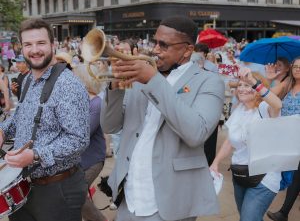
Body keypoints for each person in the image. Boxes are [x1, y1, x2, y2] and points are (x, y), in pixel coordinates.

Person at [100, 16, 225, 221]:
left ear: (187, 50)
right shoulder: (141, 77)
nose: (155, 50)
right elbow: (110, 125)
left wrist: (153, 80)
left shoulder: (209, 82)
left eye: (164, 45)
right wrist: (115, 87)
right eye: (154, 42)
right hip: (129, 196)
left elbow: (196, 133)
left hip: (170, 202)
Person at [0, 18, 90, 221]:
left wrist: (36, 155)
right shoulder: (29, 80)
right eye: (28, 44)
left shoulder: (68, 86)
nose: (34, 50)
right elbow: (21, 118)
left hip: (57, 189)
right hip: (24, 185)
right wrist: (3, 130)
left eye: (40, 43)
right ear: (21, 48)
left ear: (53, 45)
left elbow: (79, 140)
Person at [210, 69, 282, 221]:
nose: (242, 88)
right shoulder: (239, 110)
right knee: (248, 217)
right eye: (240, 85)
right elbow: (229, 141)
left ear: (257, 90)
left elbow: (277, 104)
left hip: (264, 178)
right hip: (241, 174)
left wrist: (254, 82)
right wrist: (215, 163)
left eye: (247, 85)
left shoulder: (264, 109)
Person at [267, 57, 300, 221]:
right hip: (287, 137)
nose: (297, 69)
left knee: (296, 176)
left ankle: (283, 212)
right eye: (295, 66)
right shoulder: (287, 84)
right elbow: (268, 95)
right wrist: (271, 79)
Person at [73, 64, 108, 221]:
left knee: (77, 195)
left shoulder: (96, 104)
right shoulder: (79, 101)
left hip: (92, 160)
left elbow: (83, 134)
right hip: (79, 159)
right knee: (76, 197)